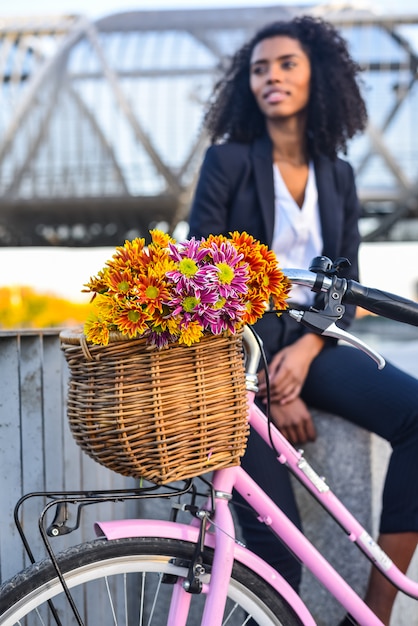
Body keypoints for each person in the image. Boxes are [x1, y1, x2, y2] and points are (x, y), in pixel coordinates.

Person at [188, 15, 418, 626]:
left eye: (287, 64)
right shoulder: (228, 162)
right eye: (260, 68)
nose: (272, 76)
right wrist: (266, 378)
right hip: (240, 353)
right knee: (275, 551)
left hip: (312, 345)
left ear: (318, 76)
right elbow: (202, 275)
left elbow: (348, 287)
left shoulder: (338, 175)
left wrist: (308, 349)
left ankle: (375, 609)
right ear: (247, 84)